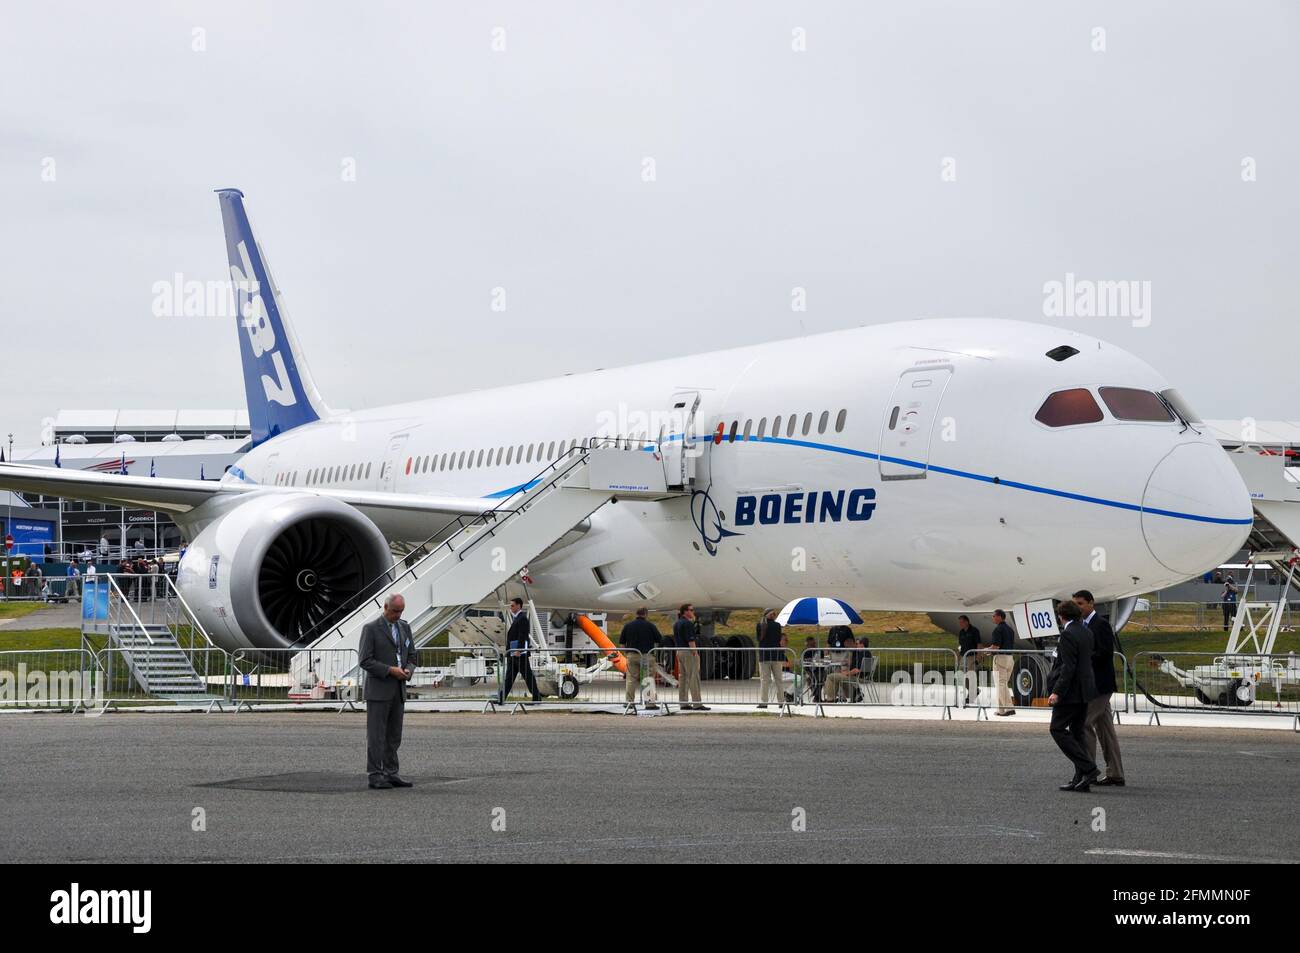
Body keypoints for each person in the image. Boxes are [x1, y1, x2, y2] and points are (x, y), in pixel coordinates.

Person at [357, 593, 417, 789]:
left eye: (401, 611)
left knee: (393, 735)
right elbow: (365, 660)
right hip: (379, 690)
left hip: (398, 689)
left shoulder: (405, 627)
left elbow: (413, 655)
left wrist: (408, 670)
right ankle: (375, 774)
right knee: (376, 735)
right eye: (395, 611)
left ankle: (391, 772)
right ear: (385, 607)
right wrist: (389, 670)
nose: (398, 615)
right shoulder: (371, 629)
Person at [1074, 590, 1125, 786]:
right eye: (1076, 604)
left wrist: (1082, 658)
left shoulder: (1101, 624)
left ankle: (1088, 771)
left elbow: (1105, 653)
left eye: (1080, 603)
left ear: (1091, 604)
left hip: (1100, 685)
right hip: (1094, 684)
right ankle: (1116, 774)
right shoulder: (1083, 625)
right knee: (1105, 730)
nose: (1078, 607)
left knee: (1083, 722)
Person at [1047, 600, 1099, 792]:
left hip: (1070, 692)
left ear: (1061, 616)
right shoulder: (1086, 631)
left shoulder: (1068, 634)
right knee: (1077, 734)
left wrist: (1057, 692)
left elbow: (1068, 667)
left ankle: (1089, 768)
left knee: (1057, 729)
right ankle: (1080, 777)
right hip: (1085, 690)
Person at [495, 597, 540, 704]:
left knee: (528, 677)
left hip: (519, 654)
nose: (511, 607)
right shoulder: (517, 618)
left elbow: (523, 635)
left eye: (512, 605)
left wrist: (519, 650)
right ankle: (501, 699)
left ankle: (537, 698)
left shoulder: (522, 618)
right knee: (509, 679)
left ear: (519, 606)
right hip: (513, 654)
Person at [618, 607, 661, 709]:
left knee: (630, 679)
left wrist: (627, 654)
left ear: (636, 614)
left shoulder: (628, 626)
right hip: (647, 655)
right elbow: (659, 639)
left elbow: (622, 643)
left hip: (632, 655)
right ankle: (649, 703)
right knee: (647, 679)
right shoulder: (650, 626)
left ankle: (629, 702)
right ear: (646, 614)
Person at [674, 604, 708, 710]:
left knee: (683, 678)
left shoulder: (677, 623)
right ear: (685, 611)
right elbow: (691, 640)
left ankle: (683, 702)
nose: (693, 612)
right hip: (688, 652)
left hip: (679, 651)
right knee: (694, 677)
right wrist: (695, 653)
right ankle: (697, 703)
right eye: (691, 610)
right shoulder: (687, 624)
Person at [988, 609, 1016, 715]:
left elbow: (995, 647)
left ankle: (1008, 708)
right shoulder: (1010, 630)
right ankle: (1001, 709)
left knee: (1000, 684)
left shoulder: (997, 630)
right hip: (1010, 659)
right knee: (1002, 684)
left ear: (1000, 617)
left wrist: (986, 651)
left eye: (994, 616)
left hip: (1000, 659)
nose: (993, 618)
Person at [757, 609, 786, 708]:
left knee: (765, 680)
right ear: (773, 615)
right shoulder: (777, 625)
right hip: (776, 655)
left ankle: (764, 702)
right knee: (779, 680)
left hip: (764, 655)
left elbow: (758, 639)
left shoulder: (760, 625)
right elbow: (778, 639)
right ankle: (781, 701)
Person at [822, 636, 863, 702]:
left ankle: (831, 699)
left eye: (857, 643)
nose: (855, 645)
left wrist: (847, 673)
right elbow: (854, 666)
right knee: (835, 677)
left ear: (862, 644)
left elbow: (857, 670)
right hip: (852, 676)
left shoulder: (861, 653)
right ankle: (837, 697)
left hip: (853, 677)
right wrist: (847, 663)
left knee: (830, 677)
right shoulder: (858, 653)